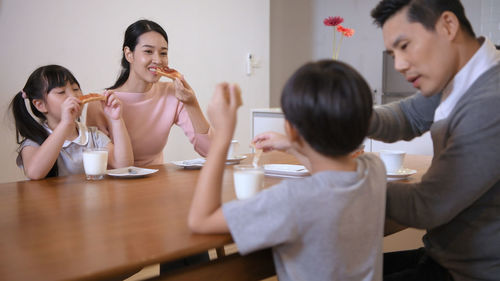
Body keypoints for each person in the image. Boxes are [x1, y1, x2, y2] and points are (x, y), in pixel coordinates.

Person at [189, 60, 387, 281]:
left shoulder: (293, 200)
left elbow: (201, 220)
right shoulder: (375, 170)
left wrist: (223, 135)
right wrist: (294, 145)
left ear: (290, 128)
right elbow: (332, 174)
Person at [368, 0, 500, 280]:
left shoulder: (491, 101)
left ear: (448, 25)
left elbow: (427, 205)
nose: (400, 65)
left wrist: (346, 178)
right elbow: (406, 116)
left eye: (404, 46)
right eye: (393, 53)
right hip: (442, 256)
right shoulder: (465, 75)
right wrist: (343, 115)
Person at [86, 19, 211, 167]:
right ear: (129, 54)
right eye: (148, 51)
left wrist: (191, 103)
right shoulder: (100, 103)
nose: (158, 60)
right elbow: (106, 164)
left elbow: (211, 151)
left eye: (163, 53)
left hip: (157, 183)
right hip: (114, 185)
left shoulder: (171, 93)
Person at [10, 64, 133, 180]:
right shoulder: (34, 141)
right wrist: (65, 124)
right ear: (40, 105)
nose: (74, 96)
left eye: (76, 89)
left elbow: (123, 164)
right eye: (61, 92)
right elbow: (34, 173)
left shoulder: (92, 136)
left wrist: (116, 120)